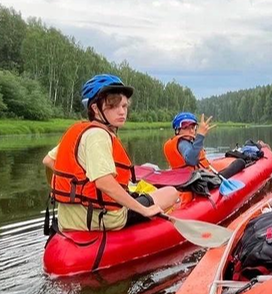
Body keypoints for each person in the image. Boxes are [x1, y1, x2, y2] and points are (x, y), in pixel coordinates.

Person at [44, 74, 180, 232]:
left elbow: (48, 160)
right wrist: (144, 210)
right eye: (113, 106)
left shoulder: (80, 132)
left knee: (133, 191)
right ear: (95, 108)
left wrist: (79, 191)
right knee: (171, 192)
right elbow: (103, 183)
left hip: (69, 220)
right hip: (102, 219)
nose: (122, 112)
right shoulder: (98, 136)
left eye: (124, 106)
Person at [163, 112, 246, 178]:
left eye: (192, 128)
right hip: (196, 182)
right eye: (186, 128)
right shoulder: (182, 144)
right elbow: (191, 159)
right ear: (177, 130)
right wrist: (200, 136)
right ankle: (218, 180)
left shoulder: (186, 142)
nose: (191, 131)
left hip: (192, 177)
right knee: (240, 162)